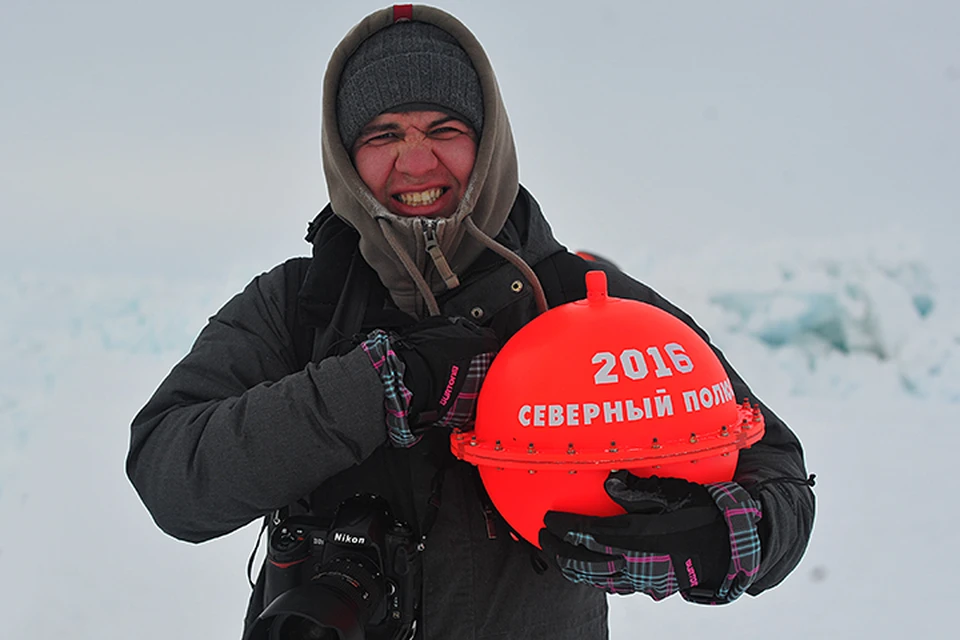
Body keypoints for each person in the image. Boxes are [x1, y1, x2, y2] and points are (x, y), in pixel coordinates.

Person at [126, 5, 816, 639]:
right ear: (344, 154)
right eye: (383, 134)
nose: (416, 161)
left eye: (444, 130)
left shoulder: (583, 304)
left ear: (488, 144)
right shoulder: (297, 305)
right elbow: (171, 474)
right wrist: (386, 386)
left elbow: (776, 468)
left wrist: (725, 537)